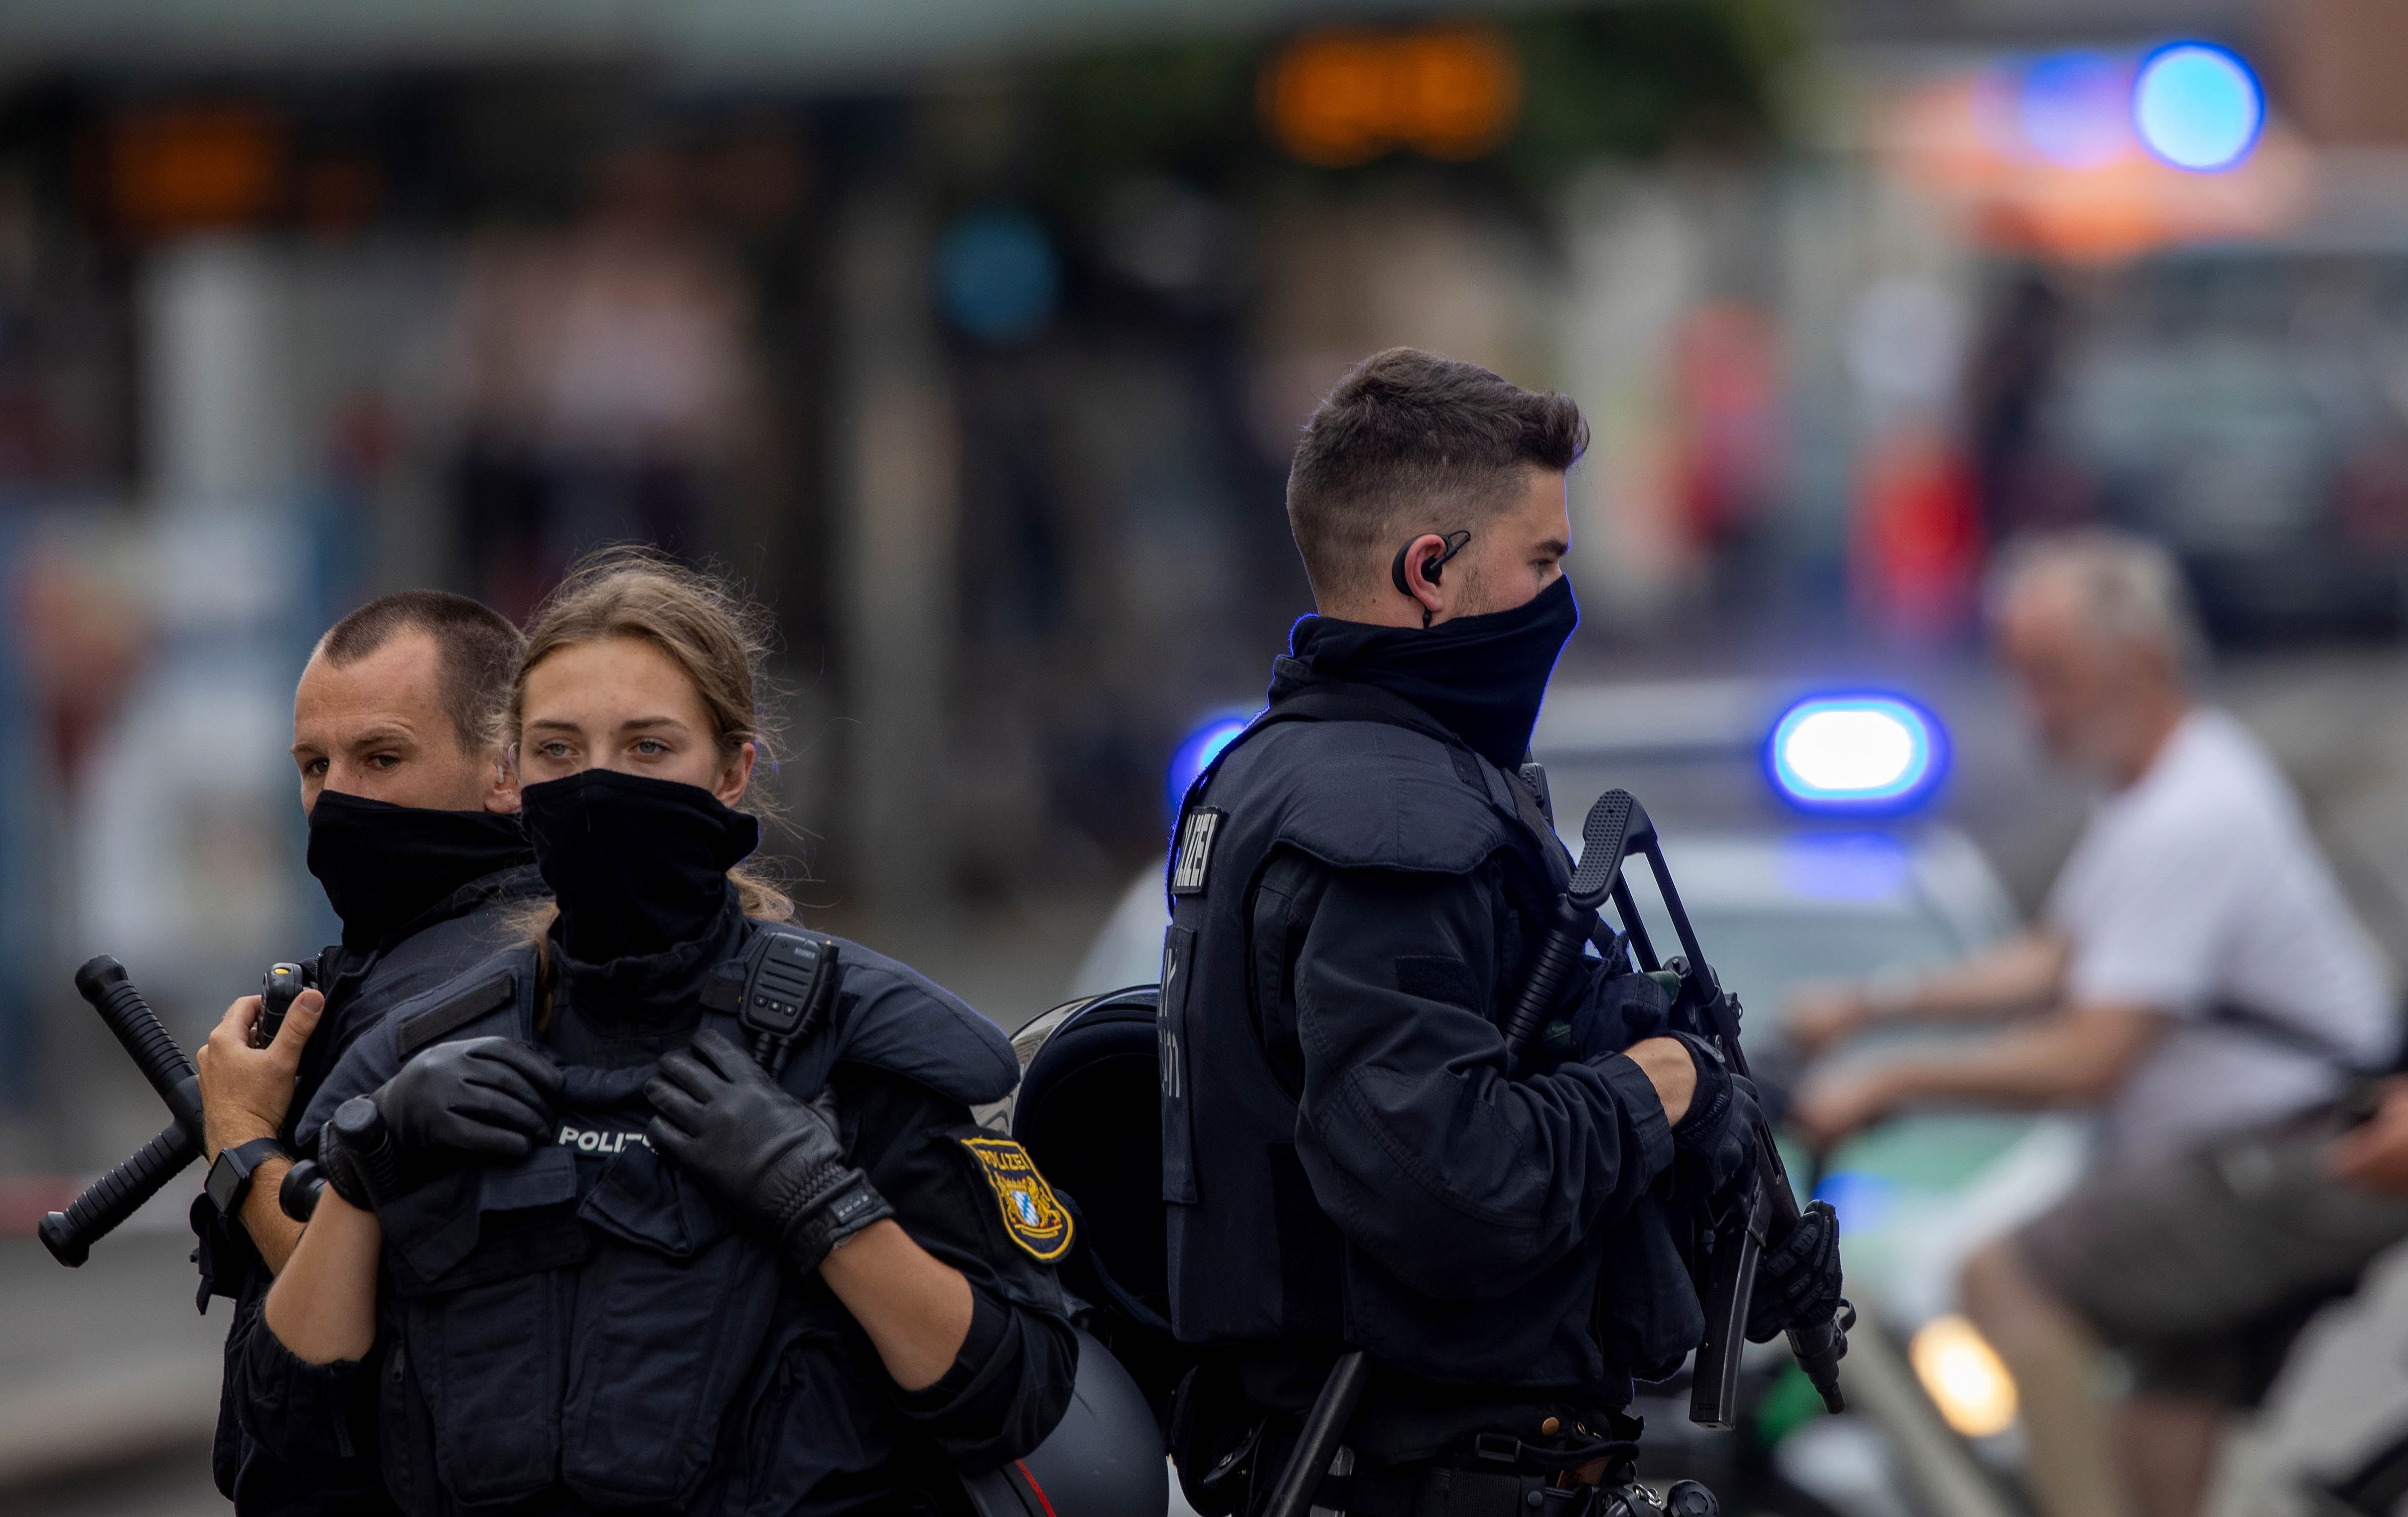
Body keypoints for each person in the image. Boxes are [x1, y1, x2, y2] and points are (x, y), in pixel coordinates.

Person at [243, 550, 1076, 1514]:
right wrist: (363, 1176)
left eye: (647, 747)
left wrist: (825, 1205)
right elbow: (287, 1436)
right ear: (512, 772)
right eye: (559, 750)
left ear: (731, 770)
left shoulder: (857, 1041)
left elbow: (1014, 1395)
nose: (598, 786)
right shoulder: (412, 1053)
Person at [1159, 348, 1843, 1515]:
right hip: (1430, 1473)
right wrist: (1662, 1085)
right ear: (1428, 569)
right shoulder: (1386, 816)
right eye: (1542, 561)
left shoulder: (1281, 772)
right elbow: (1448, 1181)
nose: (1559, 601)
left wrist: (1709, 1205)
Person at [1790, 529, 2408, 1517]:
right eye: (2017, 675)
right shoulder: (2165, 784)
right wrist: (1870, 1008)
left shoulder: (2189, 813)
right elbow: (2056, 957)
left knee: (2007, 1275)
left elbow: (2092, 1055)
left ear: (2143, 659)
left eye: (2054, 674)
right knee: (2160, 1404)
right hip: (2241, 1149)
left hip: (2303, 1148)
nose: (2032, 707)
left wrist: (1890, 1078)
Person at [193, 590, 543, 1516]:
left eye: (381, 758)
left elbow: (361, 1288)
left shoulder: (503, 982)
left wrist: (238, 1137)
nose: (338, 798)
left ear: (506, 767)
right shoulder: (391, 960)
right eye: (315, 764)